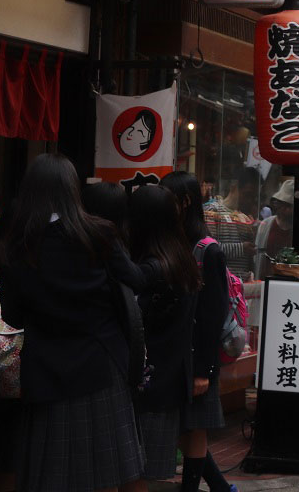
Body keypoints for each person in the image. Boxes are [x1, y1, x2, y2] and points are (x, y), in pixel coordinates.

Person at [0, 154, 144, 492]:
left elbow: (13, 316)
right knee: (105, 469)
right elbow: (134, 280)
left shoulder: (17, 247)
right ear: (72, 190)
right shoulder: (98, 233)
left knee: (52, 474)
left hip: (48, 369)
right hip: (101, 362)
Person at [124, 184, 201, 492]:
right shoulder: (180, 259)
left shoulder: (151, 269)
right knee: (140, 472)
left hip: (147, 384)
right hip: (168, 379)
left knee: (133, 471)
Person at [164, 171, 234, 492]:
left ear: (185, 202)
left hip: (198, 355)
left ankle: (192, 488)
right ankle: (219, 486)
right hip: (173, 352)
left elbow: (213, 315)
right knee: (181, 426)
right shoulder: (170, 242)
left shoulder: (209, 250)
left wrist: (205, 369)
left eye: (168, 198)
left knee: (194, 428)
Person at [203, 168, 257, 279]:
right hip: (221, 283)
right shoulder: (213, 211)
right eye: (247, 194)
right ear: (234, 188)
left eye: (253, 197)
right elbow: (208, 249)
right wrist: (242, 248)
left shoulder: (244, 217)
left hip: (241, 285)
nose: (250, 201)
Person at [253, 179, 295, 279]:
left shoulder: (296, 230)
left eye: (290, 206)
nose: (287, 210)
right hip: (265, 278)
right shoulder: (266, 224)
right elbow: (257, 254)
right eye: (285, 205)